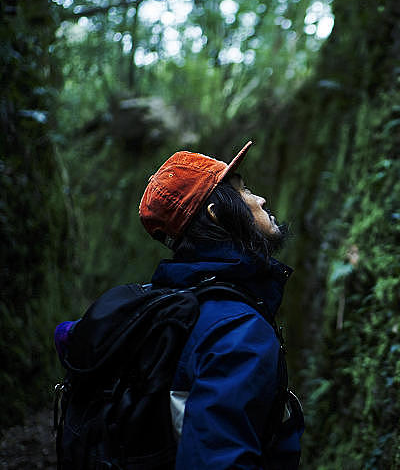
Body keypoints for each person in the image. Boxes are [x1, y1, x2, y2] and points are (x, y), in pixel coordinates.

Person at [55, 141, 303, 469]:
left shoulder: (158, 308)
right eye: (243, 190)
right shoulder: (236, 329)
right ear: (216, 214)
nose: (260, 199)